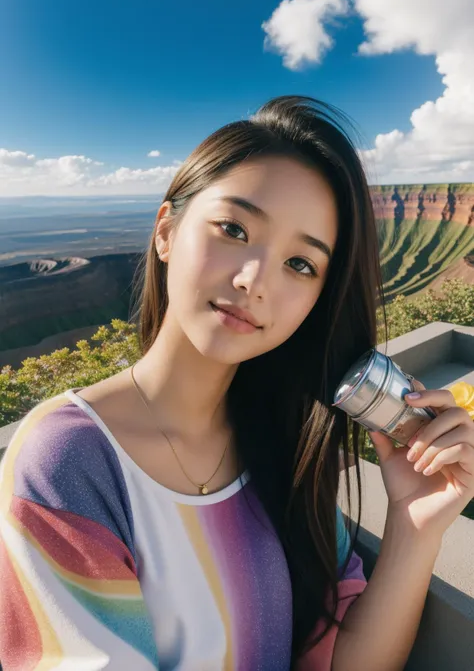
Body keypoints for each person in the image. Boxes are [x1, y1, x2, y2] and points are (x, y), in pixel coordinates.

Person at [0, 95, 473, 671]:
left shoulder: (287, 445)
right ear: (166, 231)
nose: (254, 281)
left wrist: (414, 527)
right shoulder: (68, 463)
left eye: (301, 264)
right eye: (233, 228)